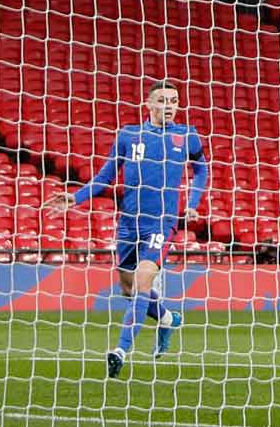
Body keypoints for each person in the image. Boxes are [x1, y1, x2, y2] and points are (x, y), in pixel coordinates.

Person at [44, 79, 208, 379]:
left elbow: (201, 169)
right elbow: (105, 175)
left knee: (144, 281)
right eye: (162, 100)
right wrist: (76, 197)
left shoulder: (187, 136)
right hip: (129, 222)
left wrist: (193, 202)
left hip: (161, 222)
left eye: (173, 101)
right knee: (128, 288)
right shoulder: (129, 135)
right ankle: (167, 318)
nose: (169, 106)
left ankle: (120, 351)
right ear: (149, 104)